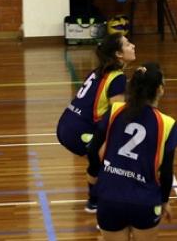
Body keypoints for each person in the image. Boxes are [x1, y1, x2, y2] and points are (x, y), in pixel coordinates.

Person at [87, 63, 177, 241]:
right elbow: (167, 171)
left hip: (110, 195)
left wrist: (94, 177)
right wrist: (163, 201)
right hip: (144, 199)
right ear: (159, 89)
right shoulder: (167, 124)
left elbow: (93, 148)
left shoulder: (115, 112)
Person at [57, 32, 136, 212]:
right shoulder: (117, 78)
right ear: (118, 54)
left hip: (66, 124)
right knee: (113, 159)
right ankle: (101, 202)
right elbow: (117, 116)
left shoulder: (100, 71)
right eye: (127, 44)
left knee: (100, 159)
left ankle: (95, 200)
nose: (133, 46)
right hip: (78, 131)